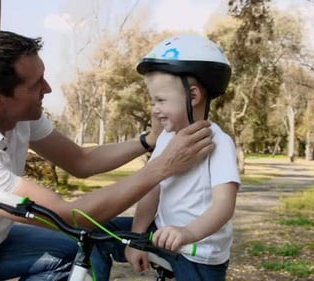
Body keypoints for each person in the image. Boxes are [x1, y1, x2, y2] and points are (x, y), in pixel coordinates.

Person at [0, 30, 215, 281]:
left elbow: (81, 162)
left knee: (83, 248)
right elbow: (67, 215)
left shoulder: (19, 115)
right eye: (36, 84)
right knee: (81, 236)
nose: (48, 89)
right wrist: (162, 168)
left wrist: (149, 140)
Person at [91, 34, 241, 281]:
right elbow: (152, 190)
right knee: (96, 234)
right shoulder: (165, 138)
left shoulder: (218, 142)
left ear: (193, 96)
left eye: (160, 100)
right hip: (160, 233)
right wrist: (137, 237)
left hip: (198, 251)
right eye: (153, 101)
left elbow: (224, 206)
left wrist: (187, 233)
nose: (154, 109)